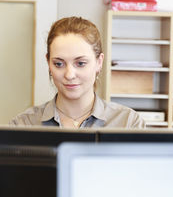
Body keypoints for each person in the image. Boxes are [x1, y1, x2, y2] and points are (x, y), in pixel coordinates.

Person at [10, 16, 146, 129]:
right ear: (48, 63)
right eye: (59, 64)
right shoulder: (23, 125)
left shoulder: (128, 123)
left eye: (80, 63)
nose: (69, 75)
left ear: (99, 62)